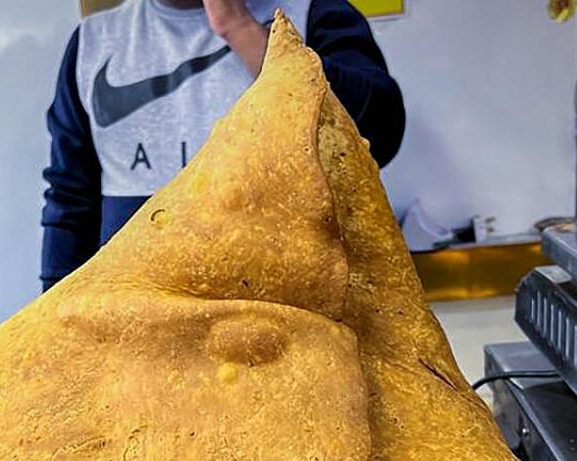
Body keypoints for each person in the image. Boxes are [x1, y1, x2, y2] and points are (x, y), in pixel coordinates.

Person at [40, 0, 406, 290]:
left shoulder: (311, 12)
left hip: (280, 319)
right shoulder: (93, 41)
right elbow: (71, 198)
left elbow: (378, 135)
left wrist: (237, 26)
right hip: (133, 323)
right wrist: (50, 320)